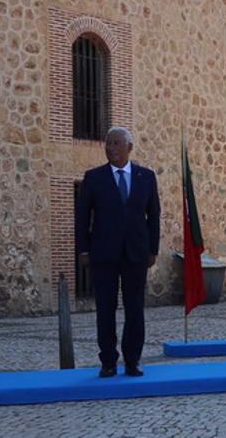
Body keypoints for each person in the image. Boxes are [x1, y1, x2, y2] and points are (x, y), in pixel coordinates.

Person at [76, 127, 161, 377]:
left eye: (116, 143)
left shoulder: (146, 177)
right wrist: (83, 249)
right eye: (108, 143)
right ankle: (108, 361)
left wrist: (153, 248)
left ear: (129, 148)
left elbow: (153, 215)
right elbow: (82, 218)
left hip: (136, 253)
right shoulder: (94, 177)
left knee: (135, 308)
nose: (111, 148)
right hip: (103, 254)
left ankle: (133, 360)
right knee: (105, 309)